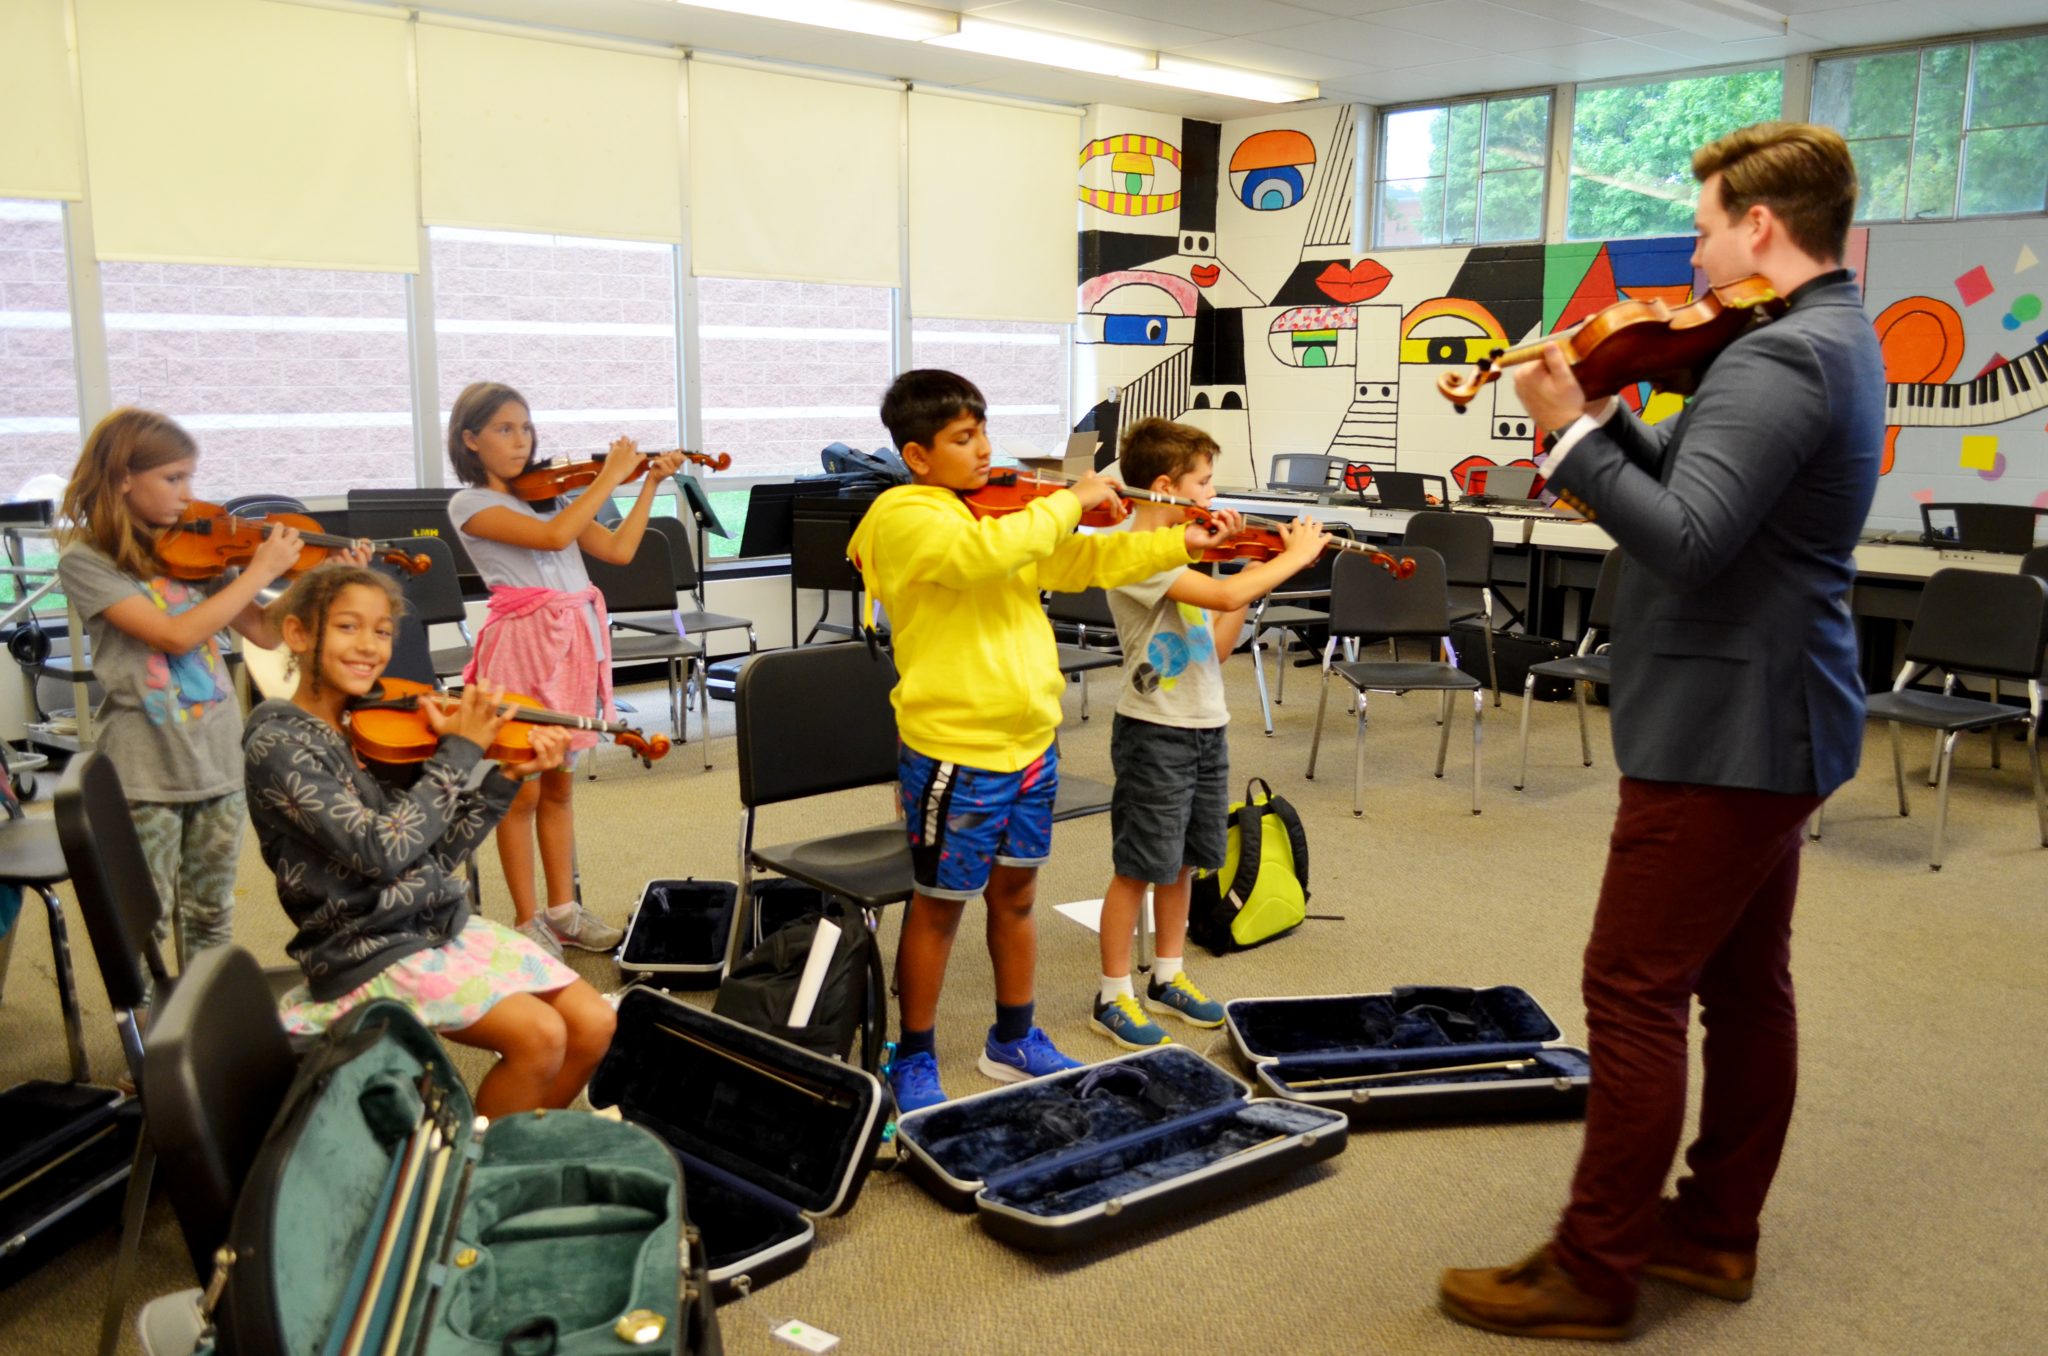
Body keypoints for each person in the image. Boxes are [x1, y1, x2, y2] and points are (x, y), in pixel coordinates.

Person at [1437, 122, 1883, 1340]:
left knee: (1630, 989)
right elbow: (1701, 494)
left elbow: (1684, 541)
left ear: (1758, 227)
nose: (1689, 258)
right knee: (1743, 988)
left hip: (1724, 729)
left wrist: (1568, 436)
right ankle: (1711, 1230)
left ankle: (1593, 1268)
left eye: (1699, 229)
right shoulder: (1831, 333)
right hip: (1776, 714)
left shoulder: (1777, 358)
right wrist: (1592, 415)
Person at [848, 371, 1241, 1113]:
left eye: (984, 432)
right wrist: (1071, 499)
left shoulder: (1001, 515)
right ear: (918, 455)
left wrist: (1176, 543)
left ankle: (1014, 1038)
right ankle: (917, 1051)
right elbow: (978, 560)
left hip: (1030, 743)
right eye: (964, 438)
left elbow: (1085, 562)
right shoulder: (904, 517)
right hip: (954, 749)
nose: (984, 450)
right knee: (939, 903)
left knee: (1019, 893)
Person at [246, 563, 616, 1117]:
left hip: (435, 922)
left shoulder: (364, 730)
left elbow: (435, 857)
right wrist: (459, 753)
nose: (369, 646)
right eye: (348, 627)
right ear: (297, 634)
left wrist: (505, 778)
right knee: (539, 1037)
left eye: (382, 631)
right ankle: (467, 1173)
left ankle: (503, 1148)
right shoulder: (277, 744)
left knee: (594, 1026)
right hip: (366, 946)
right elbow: (380, 851)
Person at [56, 408, 366, 968]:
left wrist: (325, 579)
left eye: (191, 478)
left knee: (210, 910)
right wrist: (259, 570)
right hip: (144, 768)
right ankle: (149, 1034)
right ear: (123, 476)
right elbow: (175, 636)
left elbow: (267, 632)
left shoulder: (195, 549)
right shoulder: (87, 559)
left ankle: (208, 1017)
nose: (187, 494)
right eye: (173, 478)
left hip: (219, 757)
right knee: (145, 915)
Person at [1086, 418, 1328, 1050]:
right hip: (1153, 731)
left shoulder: (1186, 550)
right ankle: (1112, 994)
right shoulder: (1135, 555)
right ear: (1166, 487)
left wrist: (1247, 565)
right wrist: (1291, 560)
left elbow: (1218, 644)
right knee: (1140, 865)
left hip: (1204, 724)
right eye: (1204, 481)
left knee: (1188, 862)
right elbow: (1220, 602)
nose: (1213, 493)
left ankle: (1169, 976)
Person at [446, 382, 686, 959]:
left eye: (526, 428)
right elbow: (553, 538)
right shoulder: (472, 504)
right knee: (519, 789)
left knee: (559, 785)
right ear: (470, 439)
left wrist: (648, 482)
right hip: (522, 646)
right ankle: (527, 919)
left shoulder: (551, 496)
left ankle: (563, 911)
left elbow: (620, 551)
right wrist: (606, 476)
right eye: (505, 429)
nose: (521, 440)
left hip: (574, 640)